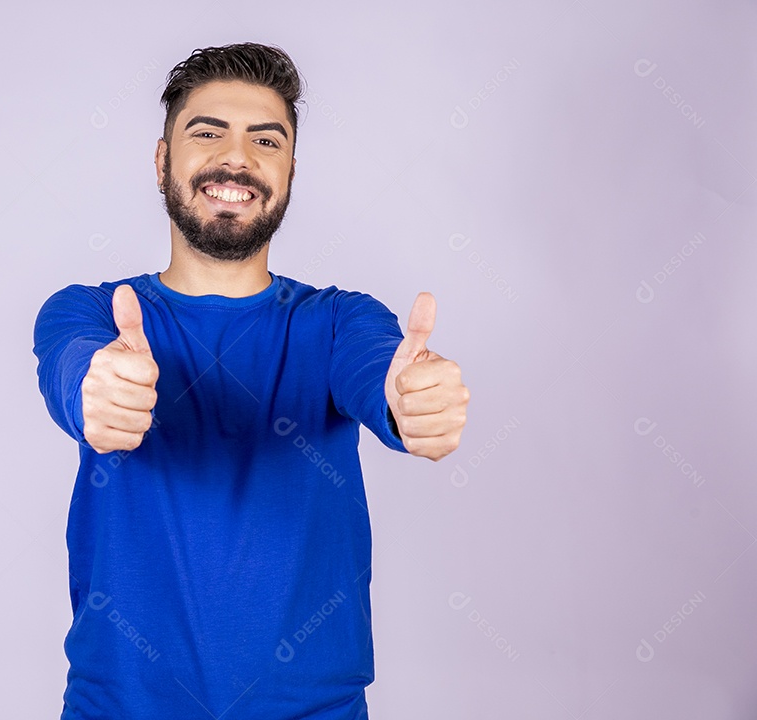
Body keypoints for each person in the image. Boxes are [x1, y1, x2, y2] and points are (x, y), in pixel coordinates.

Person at [33, 41, 469, 720]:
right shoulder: (88, 313)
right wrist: (99, 389)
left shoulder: (336, 322)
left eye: (265, 141)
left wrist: (410, 398)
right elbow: (75, 370)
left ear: (290, 171)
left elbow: (380, 372)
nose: (236, 157)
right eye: (207, 132)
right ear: (161, 160)